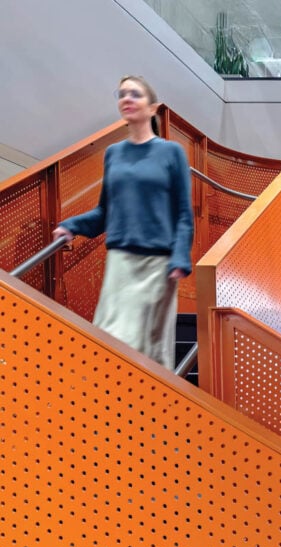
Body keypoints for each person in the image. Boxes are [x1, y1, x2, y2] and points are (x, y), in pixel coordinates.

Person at [53, 75, 193, 370]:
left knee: (149, 349)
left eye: (135, 94)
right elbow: (104, 212)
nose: (127, 98)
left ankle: (155, 399)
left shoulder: (171, 153)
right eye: (122, 94)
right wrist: (71, 226)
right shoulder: (113, 153)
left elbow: (183, 213)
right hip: (119, 264)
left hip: (157, 264)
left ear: (153, 108)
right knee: (110, 338)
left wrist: (181, 256)